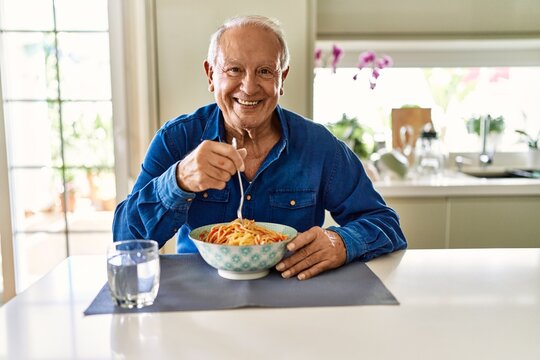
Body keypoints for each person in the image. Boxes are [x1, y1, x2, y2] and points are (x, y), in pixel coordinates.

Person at [113, 15, 407, 280]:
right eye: (234, 70)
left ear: (282, 79)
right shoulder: (177, 140)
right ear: (210, 75)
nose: (250, 87)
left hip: (295, 296)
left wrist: (341, 243)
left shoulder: (320, 146)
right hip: (200, 300)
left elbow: (385, 224)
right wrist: (177, 181)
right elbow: (124, 237)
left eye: (265, 71)